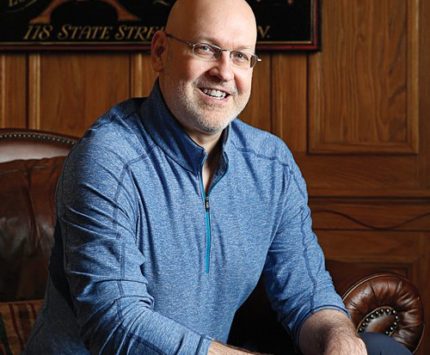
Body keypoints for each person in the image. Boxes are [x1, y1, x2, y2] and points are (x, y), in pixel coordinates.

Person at [24, 0, 412, 354]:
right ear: (160, 51)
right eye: (205, 48)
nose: (224, 72)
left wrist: (339, 337)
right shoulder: (108, 158)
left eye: (241, 56)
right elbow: (116, 325)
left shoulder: (270, 164)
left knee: (381, 350)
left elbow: (305, 292)